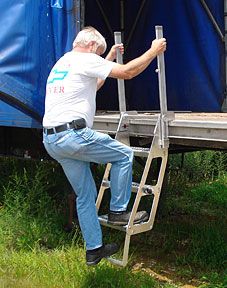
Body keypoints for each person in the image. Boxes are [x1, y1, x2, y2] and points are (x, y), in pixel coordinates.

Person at [42, 26, 167, 266]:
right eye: (98, 53)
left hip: (52, 140)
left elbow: (93, 85)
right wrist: (153, 51)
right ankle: (118, 211)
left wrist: (108, 57)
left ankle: (94, 250)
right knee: (123, 155)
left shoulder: (63, 63)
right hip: (72, 135)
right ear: (90, 46)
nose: (98, 58)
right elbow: (127, 72)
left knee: (85, 196)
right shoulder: (86, 59)